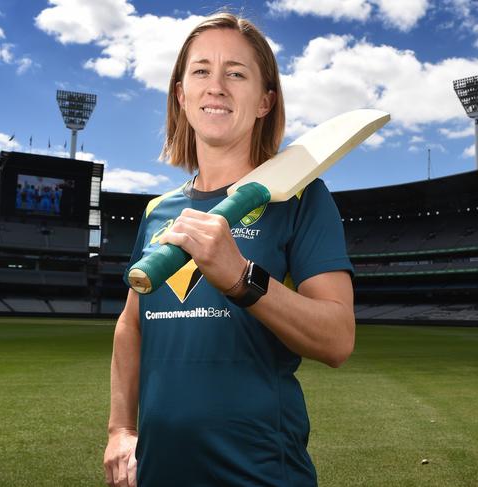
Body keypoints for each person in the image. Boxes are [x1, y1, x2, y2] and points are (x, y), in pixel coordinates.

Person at [103, 12, 355, 487]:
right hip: (157, 472)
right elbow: (130, 325)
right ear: (181, 95)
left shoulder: (302, 198)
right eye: (201, 71)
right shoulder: (159, 212)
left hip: (260, 474)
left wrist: (242, 278)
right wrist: (121, 429)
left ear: (264, 101)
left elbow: (338, 339)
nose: (215, 86)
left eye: (236, 73)